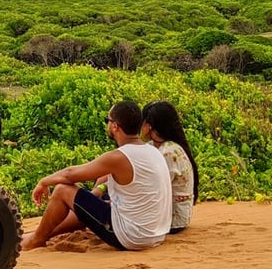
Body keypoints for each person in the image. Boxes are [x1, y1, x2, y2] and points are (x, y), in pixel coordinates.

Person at [20, 100, 172, 251]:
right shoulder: (153, 151)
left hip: (132, 237)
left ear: (115, 126)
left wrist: (43, 182)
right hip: (156, 233)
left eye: (108, 120)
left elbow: (70, 175)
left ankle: (36, 239)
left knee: (62, 190)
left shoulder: (119, 157)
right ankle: (44, 233)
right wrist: (100, 189)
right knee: (90, 200)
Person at [141, 101, 198, 233]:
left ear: (149, 126)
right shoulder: (156, 146)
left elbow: (155, 189)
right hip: (168, 215)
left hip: (172, 220)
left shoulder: (168, 153)